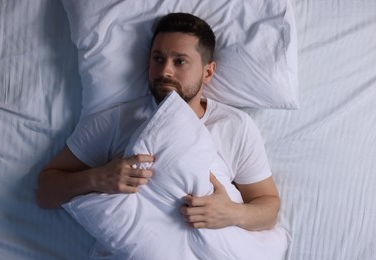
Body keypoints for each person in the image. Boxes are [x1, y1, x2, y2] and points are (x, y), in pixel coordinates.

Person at [37, 12, 280, 233]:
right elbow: (46, 193)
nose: (165, 71)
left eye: (180, 61)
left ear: (208, 72)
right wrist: (96, 179)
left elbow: (268, 210)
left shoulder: (234, 126)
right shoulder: (115, 122)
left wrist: (233, 213)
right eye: (158, 58)